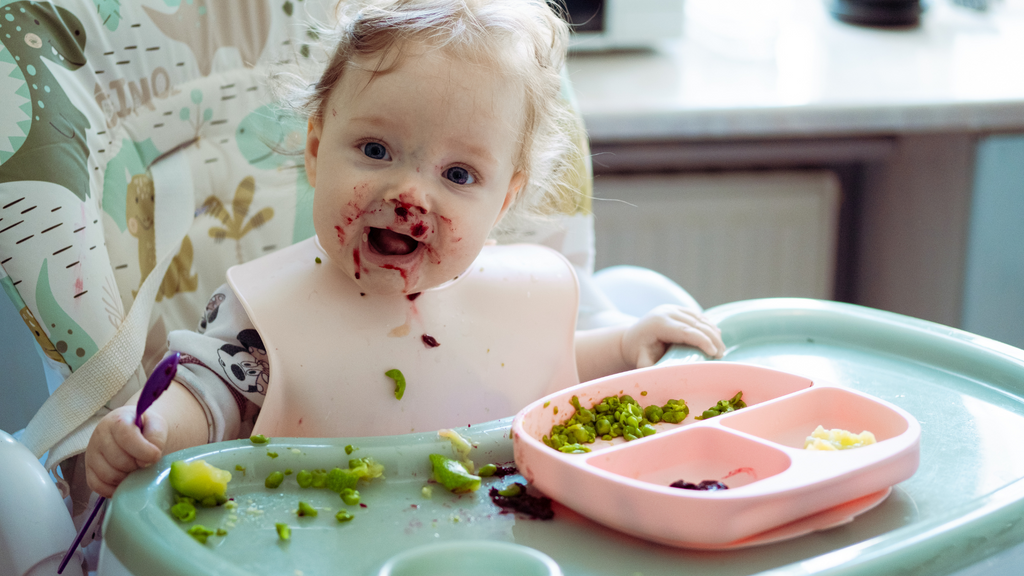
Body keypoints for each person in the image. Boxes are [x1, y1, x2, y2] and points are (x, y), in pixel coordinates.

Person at [85, 0, 725, 498]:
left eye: (458, 176)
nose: (410, 195)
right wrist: (156, 430)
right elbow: (213, 395)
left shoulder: (508, 298)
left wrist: (625, 346)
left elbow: (540, 363)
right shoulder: (270, 318)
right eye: (376, 151)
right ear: (315, 149)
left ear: (504, 201)